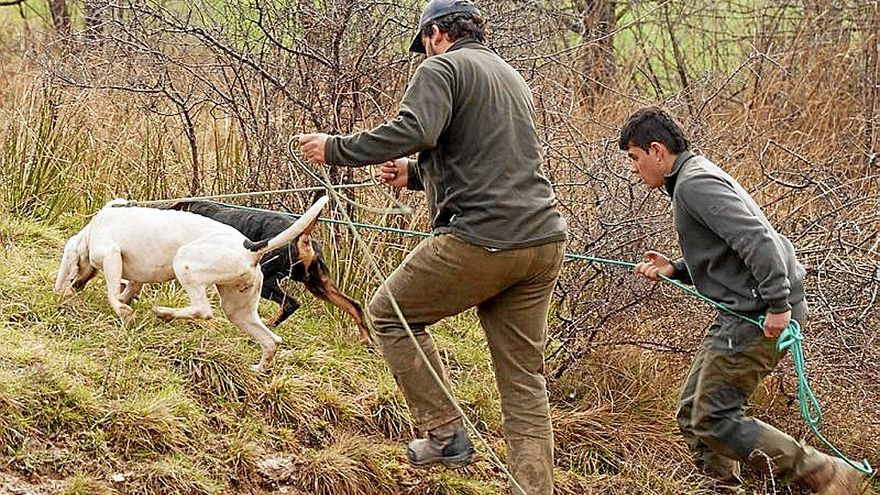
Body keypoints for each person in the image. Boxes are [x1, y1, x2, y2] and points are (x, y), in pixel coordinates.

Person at [298, 1, 567, 493]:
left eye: (422, 41)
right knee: (524, 382)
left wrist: (338, 148)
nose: (423, 49)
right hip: (543, 242)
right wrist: (416, 174)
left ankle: (444, 433)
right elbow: (490, 157)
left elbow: (416, 130)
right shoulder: (510, 76)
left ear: (436, 33)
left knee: (388, 312)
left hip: (482, 238)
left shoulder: (440, 66)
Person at [622, 107, 865, 494]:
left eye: (634, 158)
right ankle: (722, 488)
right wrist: (678, 269)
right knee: (693, 412)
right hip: (744, 309)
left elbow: (758, 240)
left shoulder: (694, 184)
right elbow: (729, 250)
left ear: (656, 150)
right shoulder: (692, 175)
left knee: (714, 418)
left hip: (756, 313)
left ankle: (826, 473)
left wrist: (778, 305)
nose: (633, 169)